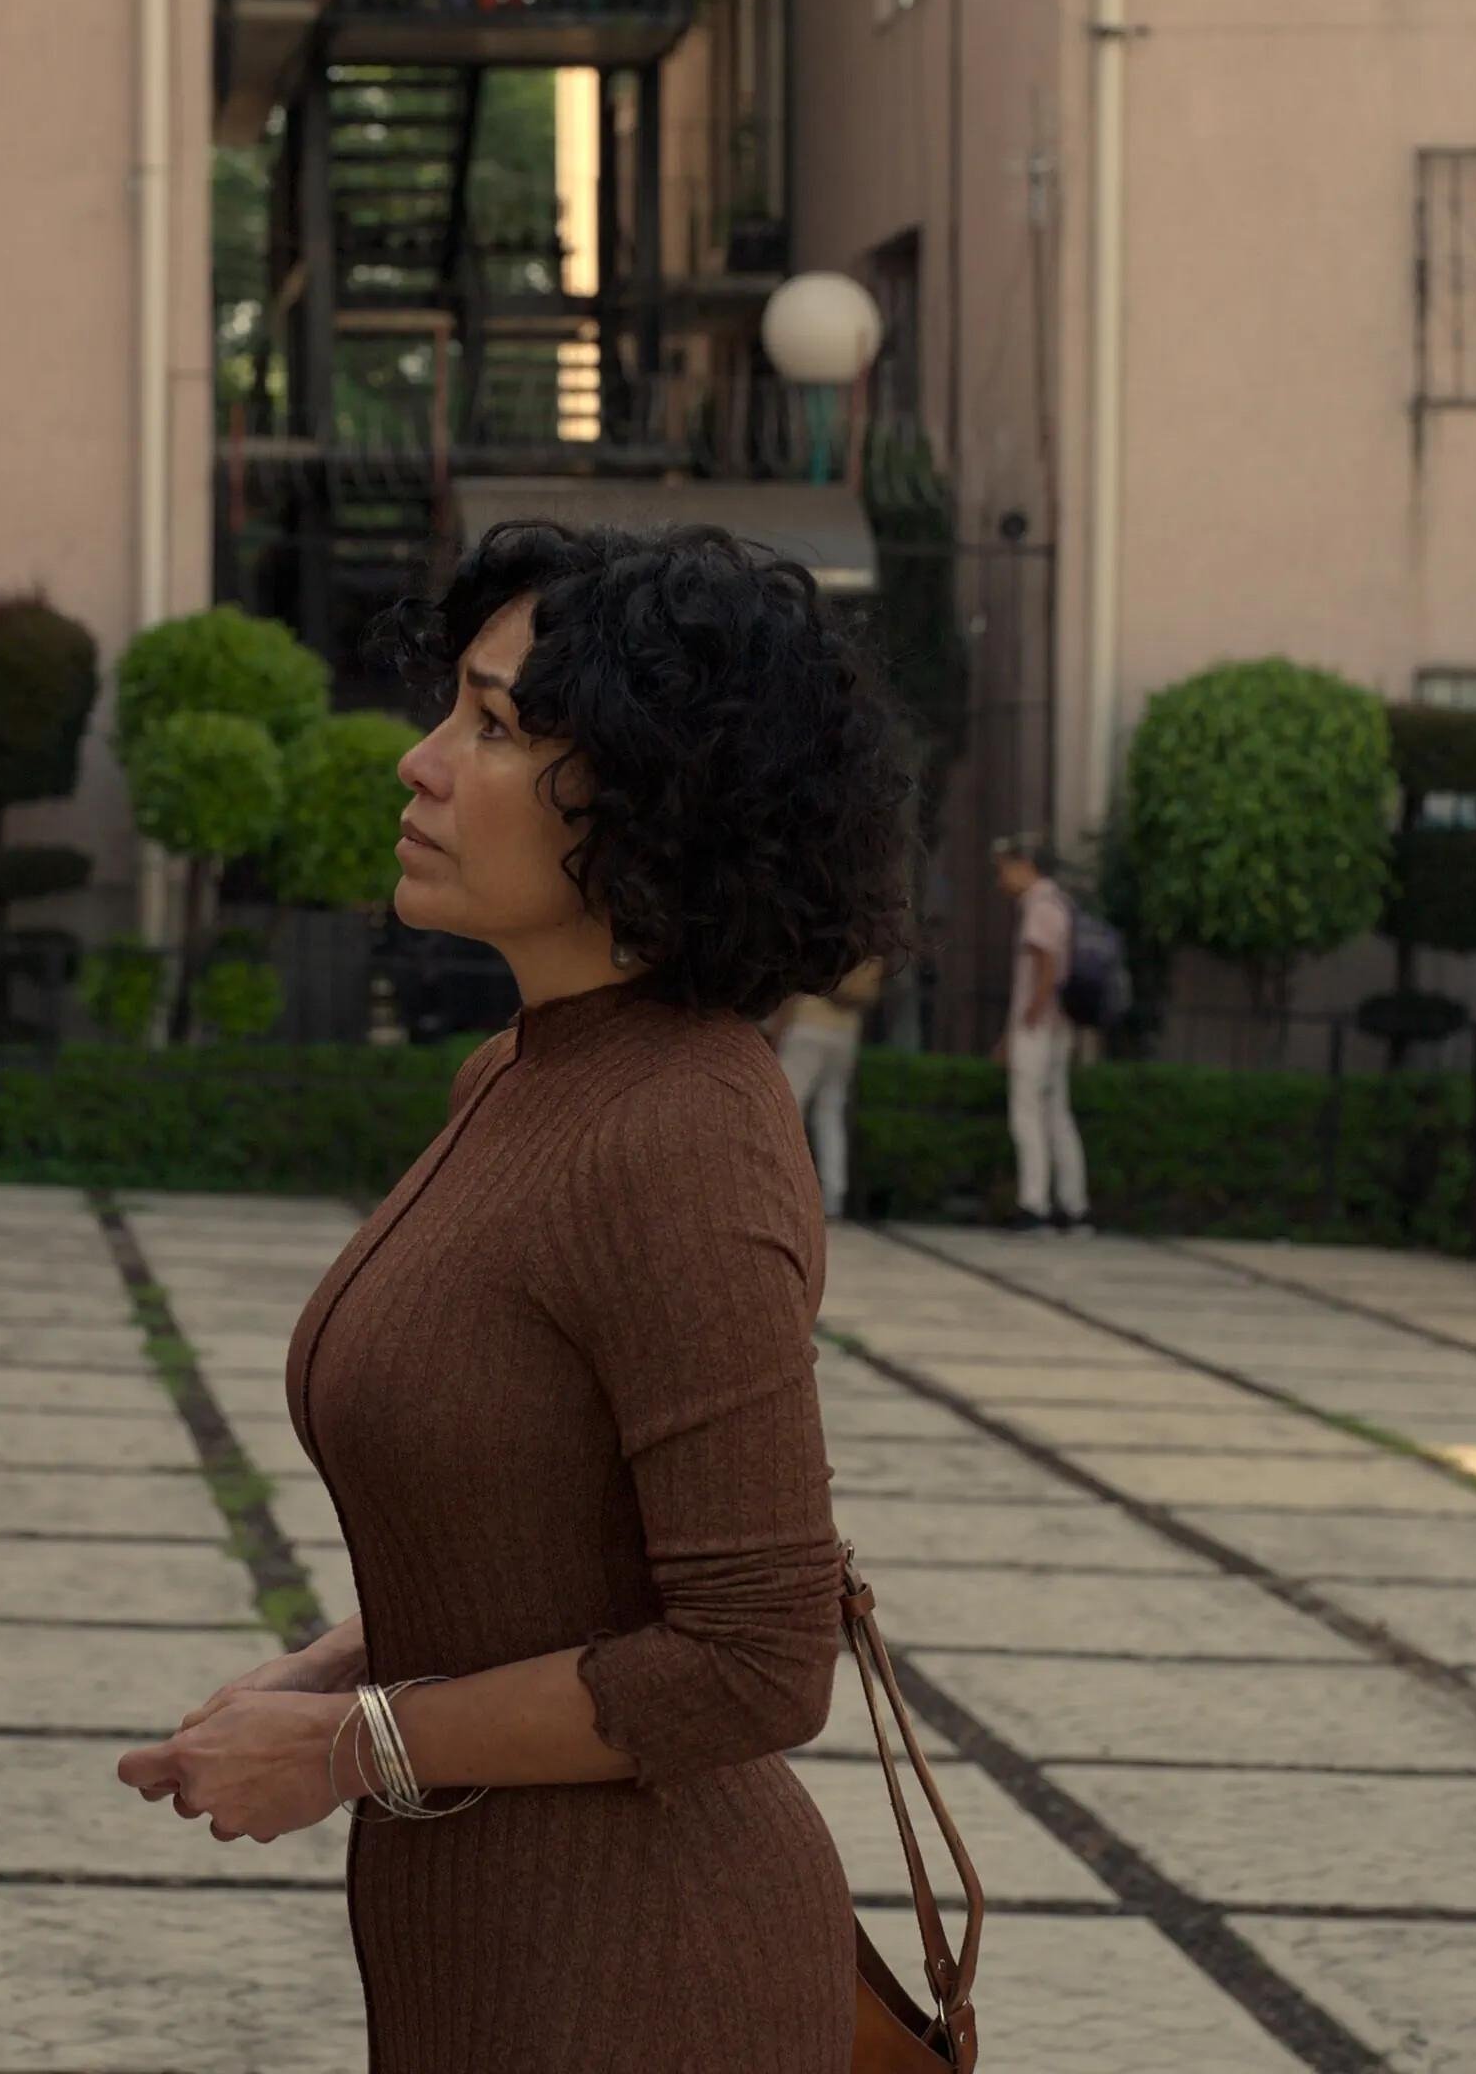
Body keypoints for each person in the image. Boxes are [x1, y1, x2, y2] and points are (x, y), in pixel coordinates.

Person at [114, 521, 920, 2069]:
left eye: (493, 727)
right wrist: (342, 1664)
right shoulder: (520, 1076)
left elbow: (757, 1658)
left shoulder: (683, 1129)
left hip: (644, 1974)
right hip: (485, 1942)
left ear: (652, 795)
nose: (420, 764)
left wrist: (353, 1746)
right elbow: (551, 1528)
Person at [991, 835, 1093, 1235]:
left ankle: (1034, 1203)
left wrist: (1031, 1013)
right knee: (1056, 1114)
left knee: (1027, 1114)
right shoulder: (1061, 903)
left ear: (1023, 865)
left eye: (1004, 869)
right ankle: (1074, 1205)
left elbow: (1046, 964)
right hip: (1057, 1027)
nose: (1001, 880)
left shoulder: (1039, 907)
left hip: (1037, 1028)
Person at [770, 956, 886, 1220]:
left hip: (808, 1025)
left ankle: (781, 1184)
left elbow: (795, 986)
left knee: (786, 1107)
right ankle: (833, 1196)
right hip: (845, 1032)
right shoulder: (868, 949)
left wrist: (779, 1028)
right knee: (830, 1113)